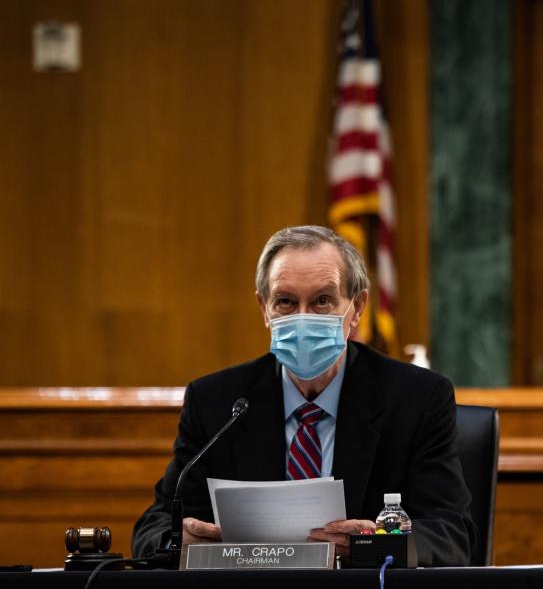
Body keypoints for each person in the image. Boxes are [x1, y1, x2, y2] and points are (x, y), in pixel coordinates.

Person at [132, 225, 476, 566]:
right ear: (264, 308)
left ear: (357, 307)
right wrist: (180, 543)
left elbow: (452, 534)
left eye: (322, 301)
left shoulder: (416, 399)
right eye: (285, 301)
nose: (302, 318)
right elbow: (154, 527)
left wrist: (369, 545)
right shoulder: (217, 404)